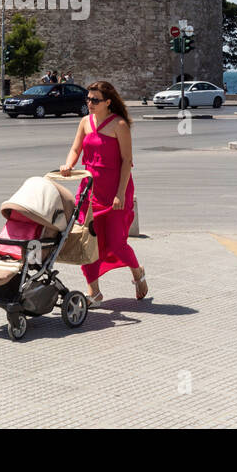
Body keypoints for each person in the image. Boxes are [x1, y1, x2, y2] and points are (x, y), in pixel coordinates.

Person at [59, 79, 146, 306]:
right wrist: (68, 164)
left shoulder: (119, 125)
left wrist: (119, 193)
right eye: (88, 99)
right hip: (89, 192)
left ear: (108, 102)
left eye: (95, 100)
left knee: (117, 243)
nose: (90, 103)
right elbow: (75, 148)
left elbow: (127, 161)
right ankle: (94, 293)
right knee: (87, 243)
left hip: (116, 191)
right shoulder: (85, 122)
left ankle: (138, 273)